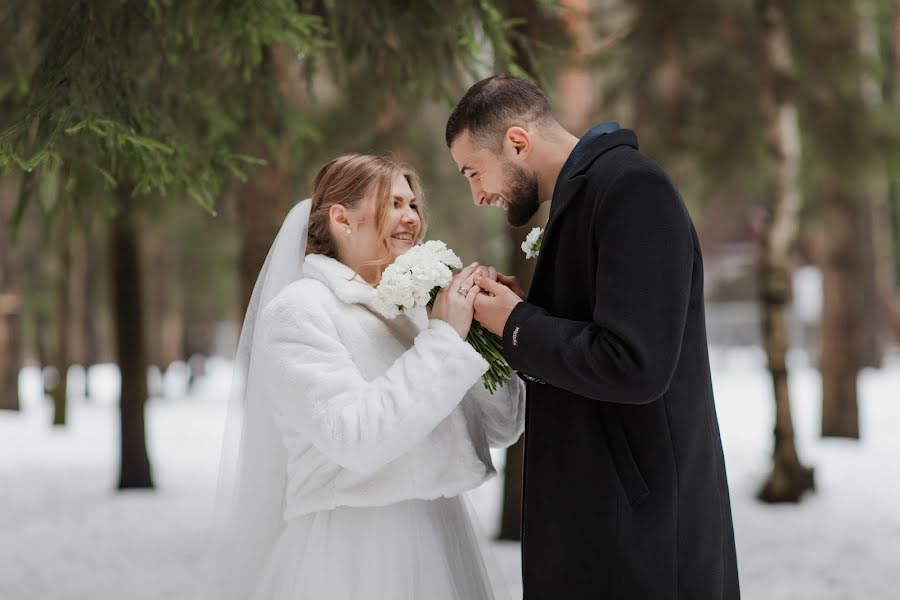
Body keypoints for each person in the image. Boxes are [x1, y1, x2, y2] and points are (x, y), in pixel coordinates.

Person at [446, 74, 740, 599]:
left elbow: (634, 363)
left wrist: (518, 324)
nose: (477, 195)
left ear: (517, 142)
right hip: (601, 523)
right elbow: (594, 332)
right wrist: (523, 314)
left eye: (474, 171)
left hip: (639, 534)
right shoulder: (584, 197)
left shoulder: (631, 189)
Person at [209, 153, 524, 600]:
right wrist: (444, 338)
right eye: (394, 203)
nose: (411, 217)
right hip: (352, 551)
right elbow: (356, 438)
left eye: (413, 205)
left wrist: (481, 334)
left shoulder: (416, 308)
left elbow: (502, 427)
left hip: (438, 536)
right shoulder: (299, 313)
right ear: (342, 218)